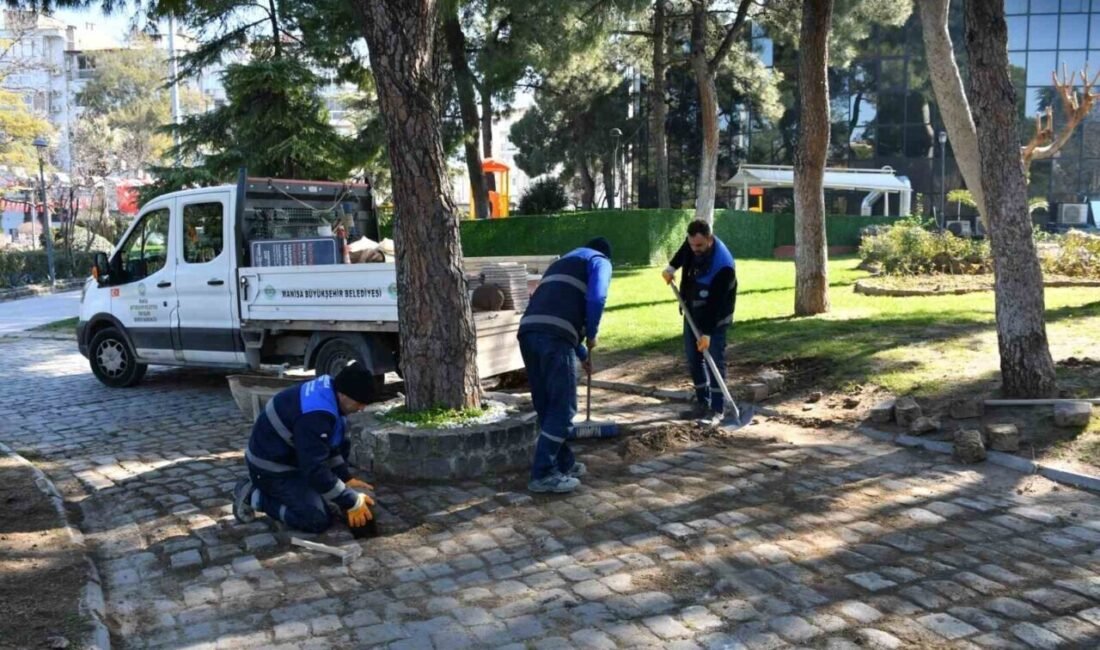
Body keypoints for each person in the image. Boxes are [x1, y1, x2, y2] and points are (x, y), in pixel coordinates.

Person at [232, 364, 377, 533]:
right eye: (359, 403)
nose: (362, 408)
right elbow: (314, 468)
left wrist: (345, 478)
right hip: (272, 469)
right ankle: (254, 495)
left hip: (293, 458)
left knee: (327, 492)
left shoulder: (331, 392)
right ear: (344, 395)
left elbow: (329, 446)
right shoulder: (317, 415)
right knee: (316, 519)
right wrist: (350, 500)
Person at [518, 237, 612, 494]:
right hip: (555, 338)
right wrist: (592, 332)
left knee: (546, 405)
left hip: (528, 332)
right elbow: (597, 297)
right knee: (563, 407)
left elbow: (553, 308)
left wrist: (581, 354)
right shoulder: (599, 261)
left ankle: (564, 462)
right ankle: (543, 474)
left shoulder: (561, 263)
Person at [662, 219, 737, 425]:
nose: (695, 249)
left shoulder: (723, 266)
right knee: (694, 359)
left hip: (716, 317)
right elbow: (684, 252)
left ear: (710, 240)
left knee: (714, 360)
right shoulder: (692, 244)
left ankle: (717, 408)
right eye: (692, 244)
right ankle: (702, 403)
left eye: (700, 246)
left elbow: (716, 304)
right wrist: (671, 268)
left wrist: (707, 333)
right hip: (692, 310)